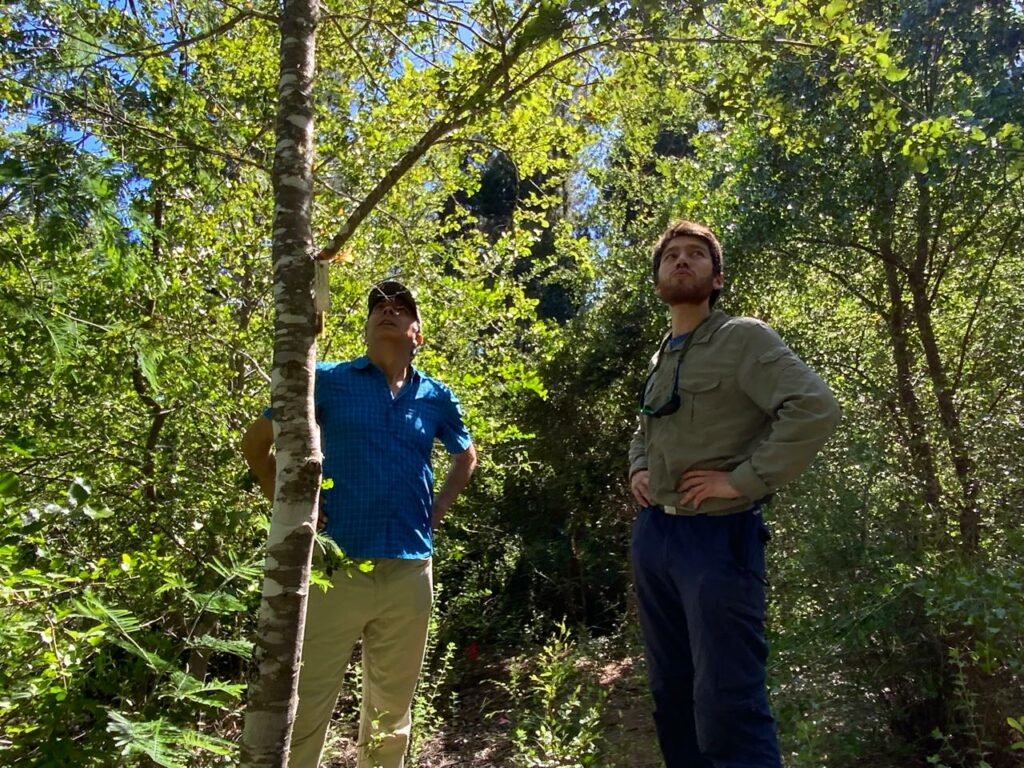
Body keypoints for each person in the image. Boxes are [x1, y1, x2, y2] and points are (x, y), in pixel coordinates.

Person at [627, 221, 840, 767]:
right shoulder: (663, 355)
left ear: (716, 277)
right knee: (671, 691)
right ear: (656, 280)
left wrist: (741, 480)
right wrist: (639, 469)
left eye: (695, 255)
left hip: (718, 539)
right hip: (657, 536)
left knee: (727, 698)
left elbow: (815, 408)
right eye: (671, 255)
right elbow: (647, 427)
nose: (681, 261)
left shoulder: (742, 338)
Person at [242, 280, 478, 768]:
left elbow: (465, 458)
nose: (388, 311)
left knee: (391, 716)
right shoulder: (326, 380)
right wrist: (290, 510)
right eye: (379, 308)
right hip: (336, 567)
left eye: (401, 308)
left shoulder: (436, 396)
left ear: (418, 334)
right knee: (306, 703)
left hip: (410, 571)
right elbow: (256, 445)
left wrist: (435, 514)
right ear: (367, 328)